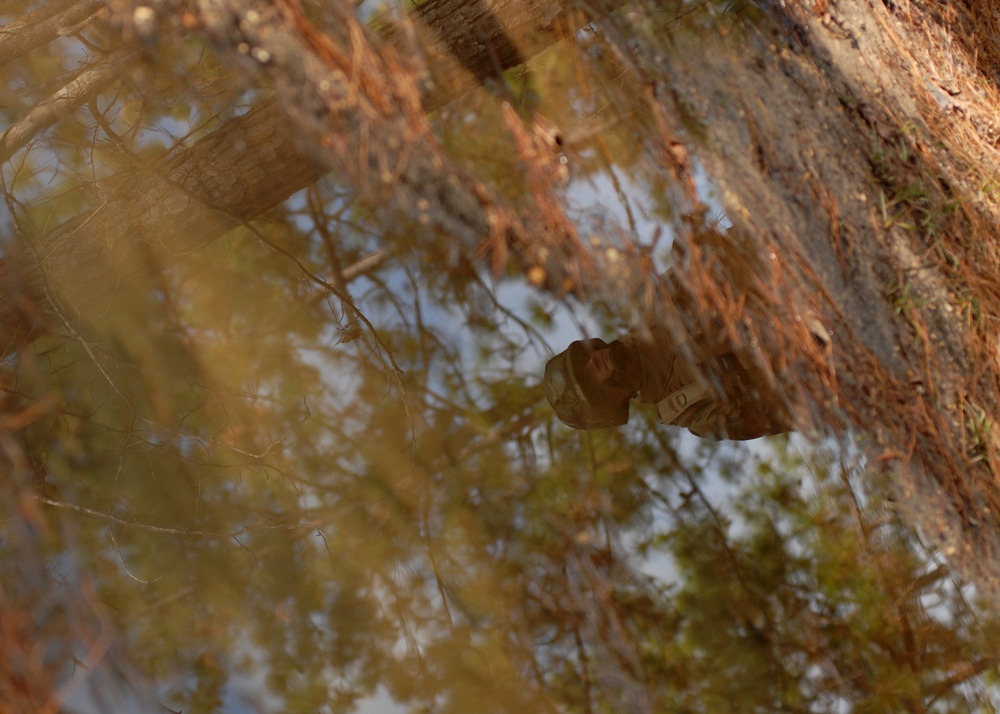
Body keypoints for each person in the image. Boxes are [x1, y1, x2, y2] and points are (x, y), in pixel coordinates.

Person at [543, 322, 802, 440]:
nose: (592, 362)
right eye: (588, 379)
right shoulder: (696, 413)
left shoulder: (651, 308)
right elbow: (805, 408)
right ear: (610, 401)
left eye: (583, 359)